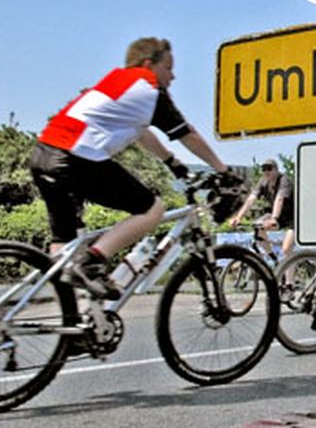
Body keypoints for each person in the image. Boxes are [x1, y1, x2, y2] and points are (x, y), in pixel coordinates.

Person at [30, 37, 232, 300]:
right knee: (152, 209)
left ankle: (71, 324)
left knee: (65, 252)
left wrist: (172, 163)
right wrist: (223, 170)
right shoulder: (149, 89)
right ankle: (93, 262)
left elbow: (141, 132)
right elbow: (187, 134)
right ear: (149, 64)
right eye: (168, 67)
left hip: (44, 155)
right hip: (75, 157)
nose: (173, 76)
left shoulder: (120, 84)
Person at [229, 158, 296, 261]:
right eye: (263, 169)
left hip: (294, 218)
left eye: (269, 168)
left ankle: (290, 277)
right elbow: (251, 199)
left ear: (276, 169)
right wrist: (239, 217)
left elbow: (280, 199)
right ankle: (274, 259)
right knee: (258, 227)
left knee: (287, 249)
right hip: (279, 216)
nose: (266, 171)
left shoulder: (284, 181)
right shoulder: (263, 182)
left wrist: (273, 218)